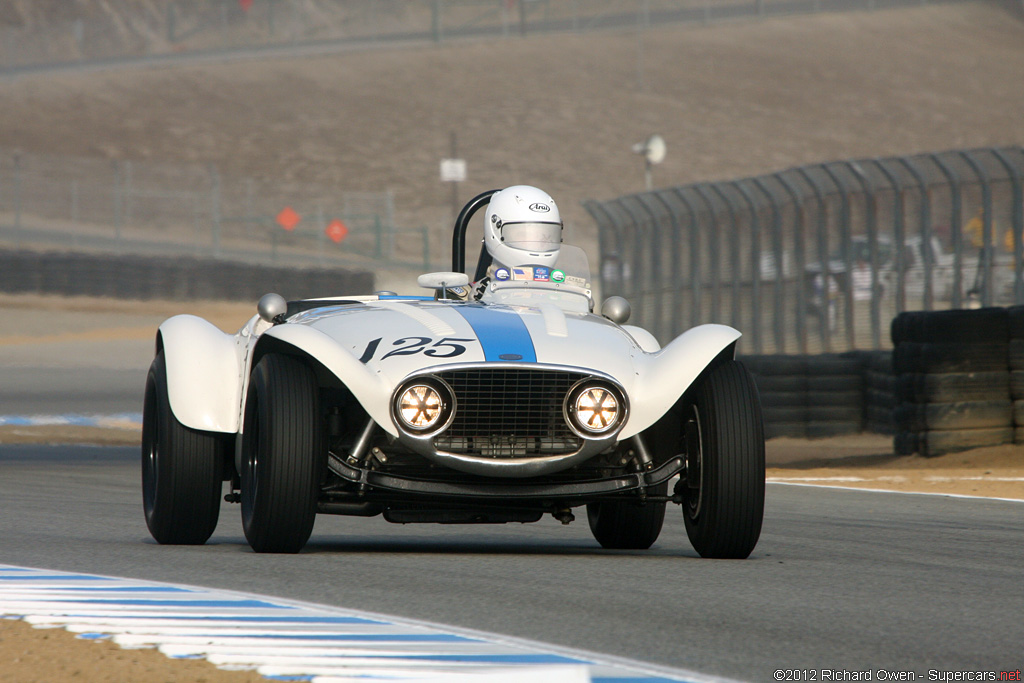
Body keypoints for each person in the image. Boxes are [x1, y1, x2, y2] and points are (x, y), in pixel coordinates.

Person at [470, 185, 564, 300]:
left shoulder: (565, 291)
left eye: (545, 237)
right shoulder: (474, 292)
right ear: (496, 230)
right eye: (523, 235)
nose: (536, 243)